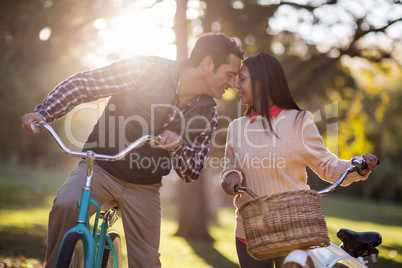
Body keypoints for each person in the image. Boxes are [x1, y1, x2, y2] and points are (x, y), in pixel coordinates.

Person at [21, 32, 245, 267]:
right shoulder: (145, 70)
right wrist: (44, 113)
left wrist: (179, 146)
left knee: (147, 261)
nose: (233, 84)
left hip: (144, 188)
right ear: (208, 64)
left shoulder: (208, 113)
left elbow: (192, 172)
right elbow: (84, 85)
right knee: (65, 204)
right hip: (100, 170)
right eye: (230, 74)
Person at [220, 53, 379, 268]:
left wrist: (357, 167)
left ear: (261, 81)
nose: (236, 85)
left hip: (295, 230)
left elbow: (327, 166)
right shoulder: (236, 127)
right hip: (250, 231)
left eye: (242, 79)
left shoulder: (299, 121)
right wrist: (231, 175)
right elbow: (231, 167)